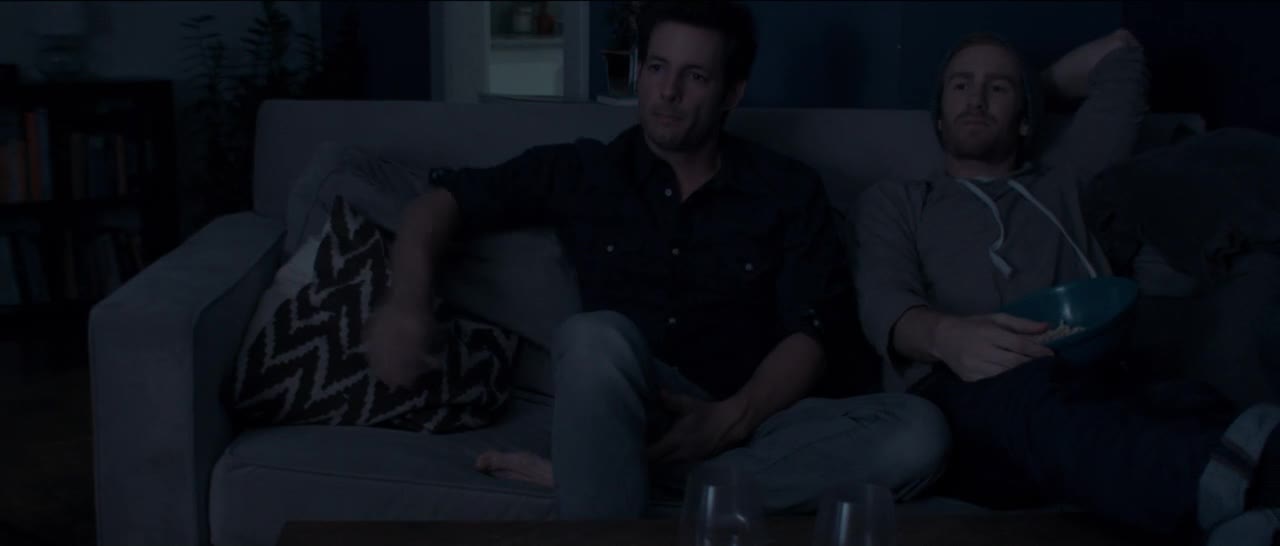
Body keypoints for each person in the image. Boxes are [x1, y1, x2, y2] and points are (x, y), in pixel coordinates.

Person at [364, 0, 947, 520]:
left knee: (918, 432)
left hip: (758, 418)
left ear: (731, 93)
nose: (668, 92)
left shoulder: (787, 189)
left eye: (695, 76)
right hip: (634, 409)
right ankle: (620, 473)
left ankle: (613, 479)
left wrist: (730, 419)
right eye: (657, 68)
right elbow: (438, 203)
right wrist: (407, 303)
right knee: (593, 337)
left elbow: (813, 332)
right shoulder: (585, 171)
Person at [855, 29, 1280, 543]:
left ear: (1026, 118)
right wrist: (947, 337)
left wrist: (1032, 85)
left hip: (1094, 381)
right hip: (967, 392)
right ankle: (1256, 484)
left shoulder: (1068, 182)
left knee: (1185, 400)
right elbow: (884, 298)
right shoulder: (900, 200)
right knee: (1034, 398)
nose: (976, 99)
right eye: (960, 86)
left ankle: (1248, 508)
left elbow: (1122, 54)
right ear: (939, 116)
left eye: (997, 88)